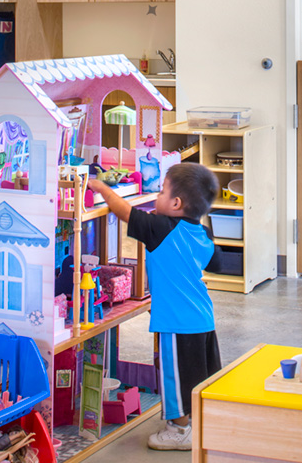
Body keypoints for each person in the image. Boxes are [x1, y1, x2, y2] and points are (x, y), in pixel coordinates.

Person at [89, 162, 222, 450]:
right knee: (198, 375)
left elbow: (125, 212)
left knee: (175, 377)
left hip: (176, 322)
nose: (157, 196)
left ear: (176, 203)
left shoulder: (160, 228)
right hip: (203, 317)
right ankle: (197, 423)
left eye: (161, 191)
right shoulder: (203, 234)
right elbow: (216, 263)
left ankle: (180, 430)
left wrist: (100, 187)